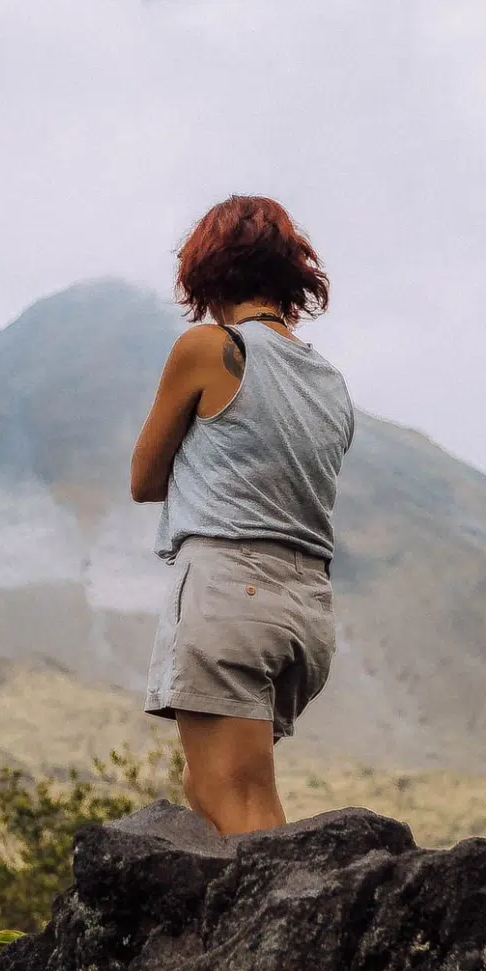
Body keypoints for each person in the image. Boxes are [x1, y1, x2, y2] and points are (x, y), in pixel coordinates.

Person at [130, 195, 355, 835]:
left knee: (235, 804)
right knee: (229, 790)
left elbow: (144, 479)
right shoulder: (330, 382)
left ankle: (292, 933)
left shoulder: (209, 348)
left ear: (206, 269)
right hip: (306, 606)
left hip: (231, 588)